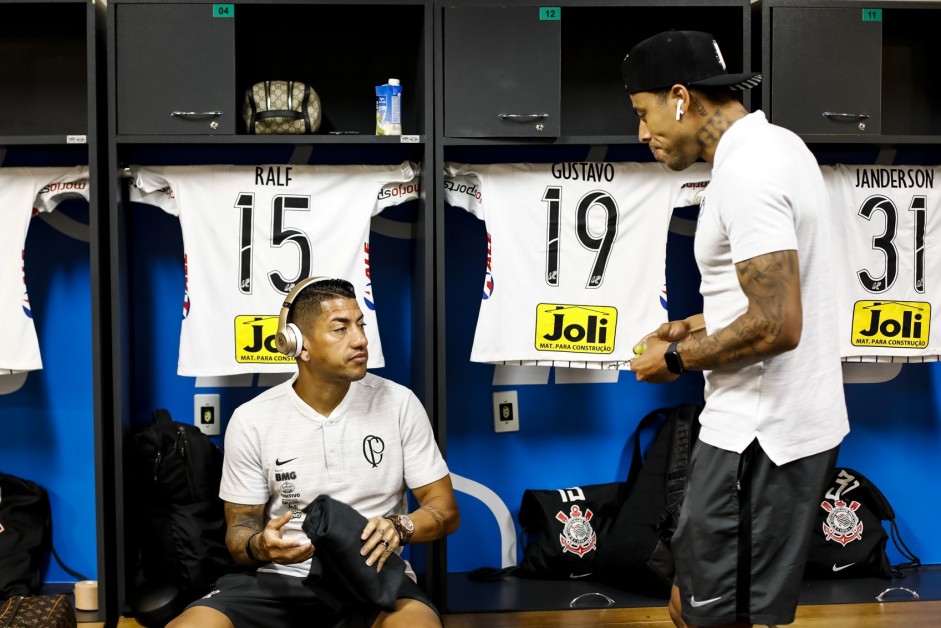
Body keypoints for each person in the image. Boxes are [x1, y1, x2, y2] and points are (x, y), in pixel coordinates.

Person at [622, 31, 849, 628]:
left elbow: (776, 322)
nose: (642, 135)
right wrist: (690, 324)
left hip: (760, 438)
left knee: (725, 618)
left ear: (680, 97)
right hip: (762, 428)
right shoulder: (780, 146)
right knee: (689, 603)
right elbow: (775, 290)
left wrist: (670, 363)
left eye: (643, 115)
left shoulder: (748, 172)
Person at [167, 277, 459, 628]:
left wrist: (402, 526)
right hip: (280, 580)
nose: (361, 339)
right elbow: (239, 530)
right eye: (341, 329)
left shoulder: (399, 403)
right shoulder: (252, 419)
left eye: (360, 325)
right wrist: (262, 545)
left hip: (374, 579)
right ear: (299, 345)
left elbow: (445, 509)